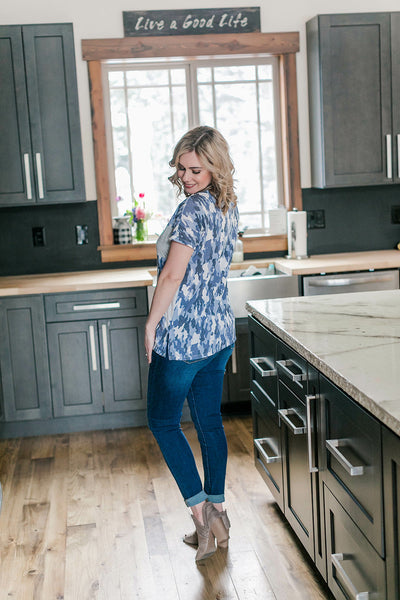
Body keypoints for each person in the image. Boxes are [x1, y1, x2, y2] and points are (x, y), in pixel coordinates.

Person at [145, 125, 239, 562]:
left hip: (183, 340)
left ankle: (200, 514)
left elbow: (172, 275)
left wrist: (151, 324)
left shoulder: (190, 211)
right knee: (209, 422)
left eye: (195, 170)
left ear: (214, 167)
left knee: (163, 422)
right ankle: (219, 511)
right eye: (181, 169)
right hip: (218, 335)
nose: (185, 177)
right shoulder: (227, 204)